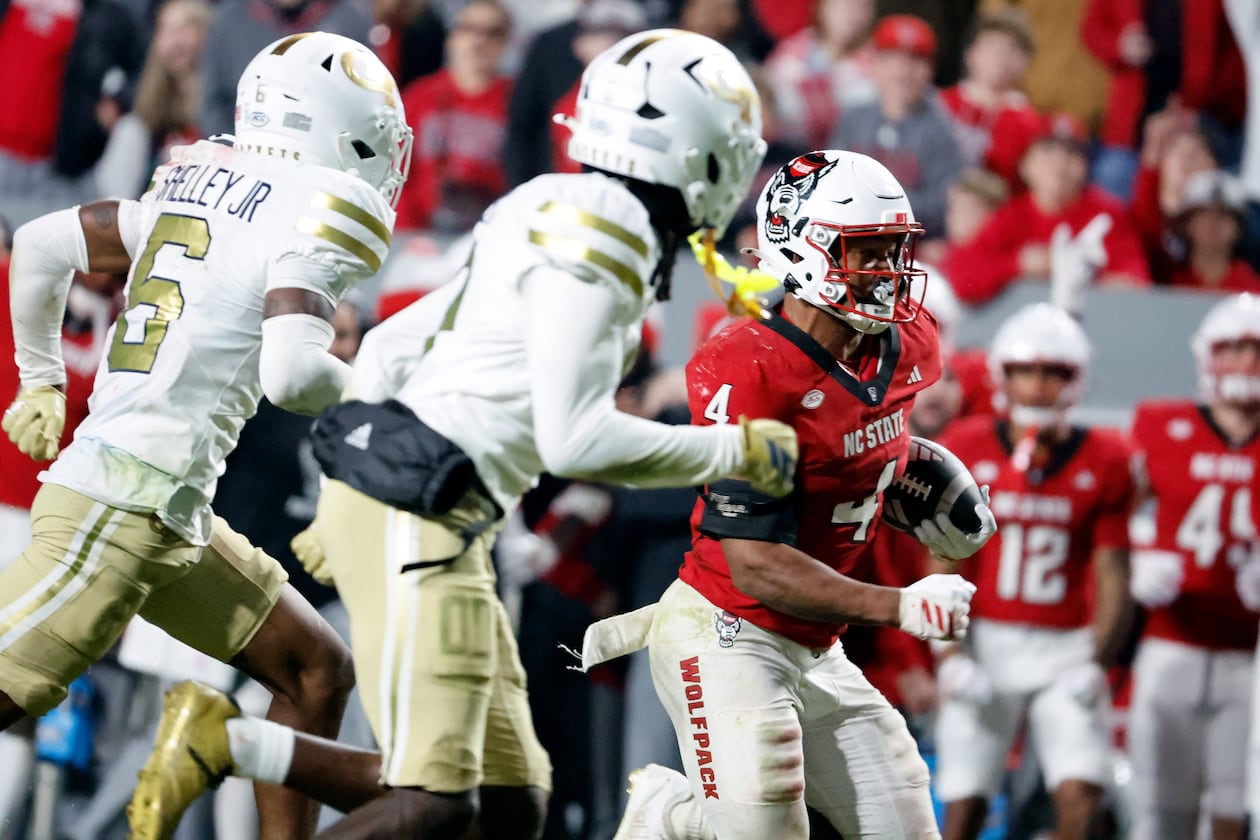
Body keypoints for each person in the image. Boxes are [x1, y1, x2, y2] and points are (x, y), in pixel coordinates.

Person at [128, 29, 799, 840]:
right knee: (436, 801)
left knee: (512, 803)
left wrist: (342, 489)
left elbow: (388, 345)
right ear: (704, 156)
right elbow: (574, 441)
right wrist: (736, 452)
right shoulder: (605, 237)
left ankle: (230, 742)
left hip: (422, 504)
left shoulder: (550, 199)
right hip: (424, 517)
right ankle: (224, 743)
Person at [0, 30, 414, 840]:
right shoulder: (318, 206)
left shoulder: (202, 178)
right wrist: (379, 392)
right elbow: (295, 375)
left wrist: (41, 376)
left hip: (172, 515)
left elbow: (46, 244)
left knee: (313, 671)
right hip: (114, 507)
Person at [575, 149, 997, 840]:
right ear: (804, 251)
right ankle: (671, 818)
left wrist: (905, 473)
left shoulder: (909, 341)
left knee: (905, 824)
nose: (889, 273)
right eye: (868, 252)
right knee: (766, 824)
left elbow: (850, 446)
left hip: (814, 642)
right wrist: (898, 606)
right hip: (726, 628)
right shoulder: (747, 367)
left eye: (895, 250)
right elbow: (755, 562)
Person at [929, 303, 1135, 840]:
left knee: (1081, 796)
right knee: (964, 802)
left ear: (1076, 378)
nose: (1039, 386)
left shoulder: (1106, 457)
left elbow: (1114, 570)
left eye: (1054, 372)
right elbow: (946, 554)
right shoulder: (970, 444)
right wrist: (948, 653)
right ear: (1003, 373)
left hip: (1066, 647)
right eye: (1027, 371)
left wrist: (1098, 660)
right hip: (986, 643)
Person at [1126, 292, 1260, 840]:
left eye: (1257, 349)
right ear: (1206, 355)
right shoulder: (1162, 422)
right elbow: (1112, 518)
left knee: (1234, 804)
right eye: (1234, 348)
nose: (1247, 363)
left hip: (1247, 656)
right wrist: (1137, 556)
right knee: (1159, 807)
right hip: (1170, 640)